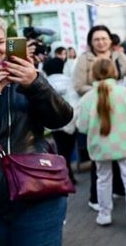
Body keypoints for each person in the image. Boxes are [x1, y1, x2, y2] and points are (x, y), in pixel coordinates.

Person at [0, 11, 74, 246]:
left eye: (0, 42)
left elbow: (61, 119)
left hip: (38, 195)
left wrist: (36, 84)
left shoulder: (25, 77)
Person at [73, 24, 126, 210]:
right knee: (100, 163)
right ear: (91, 42)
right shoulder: (84, 60)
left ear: (110, 40)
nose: (101, 42)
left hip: (120, 113)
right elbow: (78, 85)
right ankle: (97, 199)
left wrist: (119, 89)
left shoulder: (119, 56)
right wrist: (101, 91)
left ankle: (118, 191)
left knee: (120, 157)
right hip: (97, 113)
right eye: (96, 39)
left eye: (104, 38)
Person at [76, 58, 126, 231]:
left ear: (92, 74)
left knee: (103, 178)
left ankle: (104, 214)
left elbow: (82, 125)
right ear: (115, 72)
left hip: (100, 146)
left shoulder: (87, 98)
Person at [43, 52, 80, 185]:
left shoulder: (45, 83)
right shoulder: (69, 81)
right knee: (68, 150)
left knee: (61, 150)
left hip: (55, 125)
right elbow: (76, 102)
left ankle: (66, 176)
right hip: (71, 121)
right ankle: (68, 175)